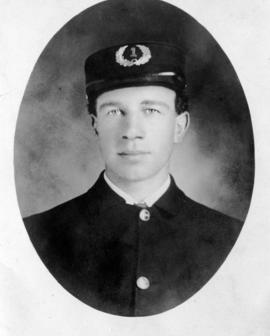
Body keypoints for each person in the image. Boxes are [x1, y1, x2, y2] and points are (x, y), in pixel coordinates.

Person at [24, 42, 243, 317]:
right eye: (114, 112)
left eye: (151, 110)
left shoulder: (231, 239)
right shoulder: (36, 236)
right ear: (95, 124)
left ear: (179, 126)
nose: (131, 131)